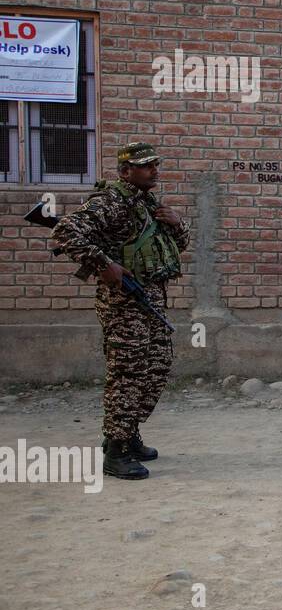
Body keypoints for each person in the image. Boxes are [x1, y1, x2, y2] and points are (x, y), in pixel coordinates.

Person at [48, 143, 189, 480]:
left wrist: (178, 223)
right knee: (127, 374)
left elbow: (175, 247)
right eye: (145, 166)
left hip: (151, 298)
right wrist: (104, 264)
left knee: (156, 368)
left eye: (155, 164)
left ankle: (128, 434)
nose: (153, 170)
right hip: (123, 303)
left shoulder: (146, 202)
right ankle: (116, 451)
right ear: (125, 171)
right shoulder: (110, 203)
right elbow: (63, 232)